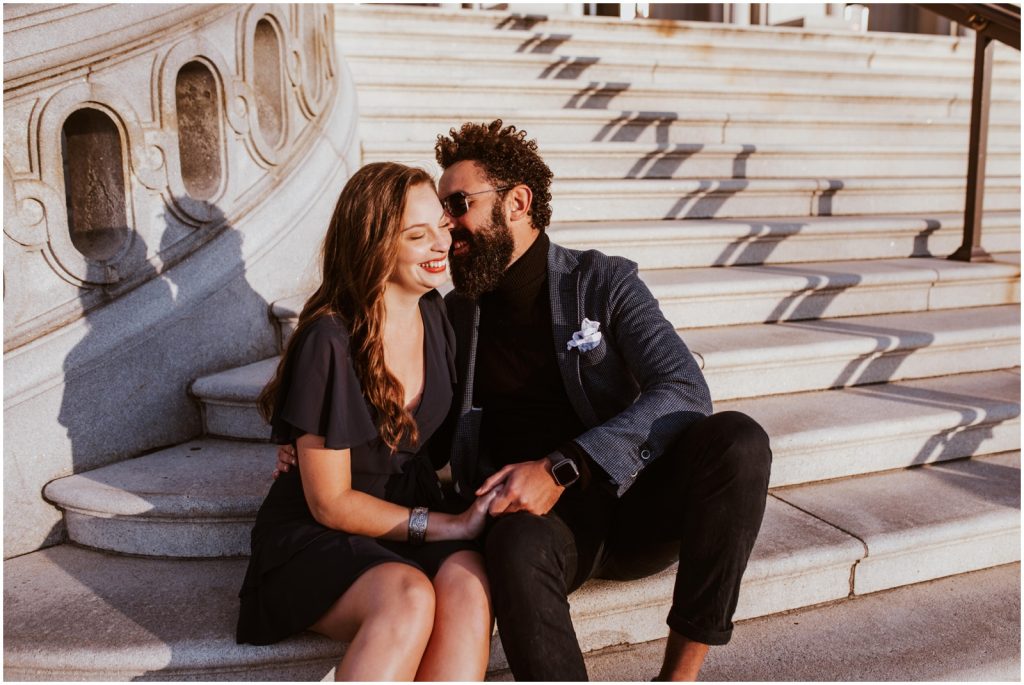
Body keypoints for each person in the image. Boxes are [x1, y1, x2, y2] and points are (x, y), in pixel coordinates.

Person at [279, 121, 772, 681]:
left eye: (457, 205)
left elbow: (684, 391)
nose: (448, 229)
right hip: (538, 529)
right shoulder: (454, 313)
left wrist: (563, 467)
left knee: (739, 440)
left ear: (517, 202)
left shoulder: (602, 282)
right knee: (512, 540)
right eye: (439, 214)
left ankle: (678, 678)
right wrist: (318, 440)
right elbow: (409, 410)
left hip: (634, 502)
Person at [239, 162, 496, 682]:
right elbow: (329, 502)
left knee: (470, 585)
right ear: (373, 242)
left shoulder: (436, 317)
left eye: (440, 229)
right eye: (416, 235)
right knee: (408, 596)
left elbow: (436, 449)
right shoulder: (328, 339)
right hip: (317, 533)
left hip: (404, 510)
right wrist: (448, 523)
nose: (438, 246)